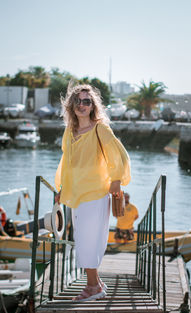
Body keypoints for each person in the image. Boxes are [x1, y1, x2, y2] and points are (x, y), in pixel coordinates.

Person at [55, 83, 131, 301]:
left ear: (92, 105)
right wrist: (61, 187)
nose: (82, 105)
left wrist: (116, 180)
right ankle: (95, 283)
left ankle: (92, 288)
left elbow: (120, 155)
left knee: (89, 239)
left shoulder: (100, 129)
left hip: (96, 192)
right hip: (77, 193)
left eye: (86, 101)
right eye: (77, 101)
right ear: (71, 105)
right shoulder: (69, 131)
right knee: (82, 238)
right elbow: (66, 163)